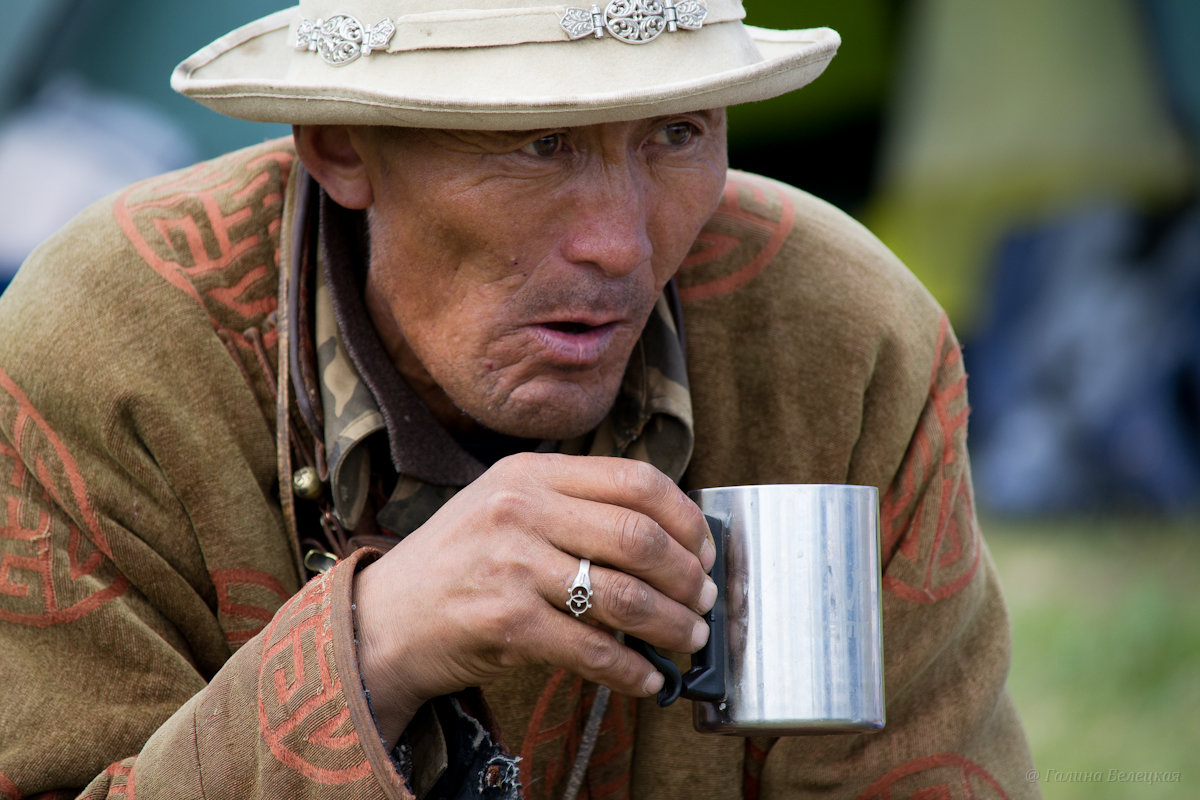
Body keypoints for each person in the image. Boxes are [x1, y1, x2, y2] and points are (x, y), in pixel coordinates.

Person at [0, 2, 1039, 798]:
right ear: (340, 143)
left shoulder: (839, 339)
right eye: (541, 144)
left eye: (675, 133)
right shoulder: (107, 351)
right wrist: (373, 645)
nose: (623, 244)